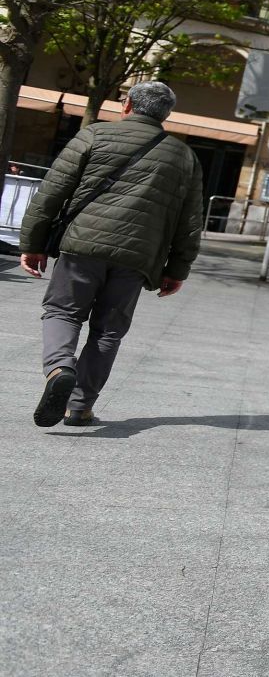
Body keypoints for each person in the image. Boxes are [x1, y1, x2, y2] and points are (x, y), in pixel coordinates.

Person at [17, 81, 204, 427]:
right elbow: (190, 221)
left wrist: (32, 243)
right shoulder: (184, 157)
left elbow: (51, 193)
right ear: (166, 114)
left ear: (128, 105)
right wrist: (177, 269)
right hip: (138, 256)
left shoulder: (94, 136)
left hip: (82, 245)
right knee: (108, 331)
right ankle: (80, 406)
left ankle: (59, 367)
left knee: (63, 311)